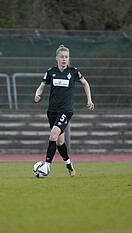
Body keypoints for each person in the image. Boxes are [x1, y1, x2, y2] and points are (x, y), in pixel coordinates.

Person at [34, 45, 94, 177]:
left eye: (66, 57)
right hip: (52, 111)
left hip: (66, 111)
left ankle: (46, 165)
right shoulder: (51, 72)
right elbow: (41, 86)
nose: (64, 59)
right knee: (60, 142)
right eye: (62, 57)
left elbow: (85, 83)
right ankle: (68, 162)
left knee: (53, 135)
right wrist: (37, 94)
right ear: (57, 58)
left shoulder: (73, 72)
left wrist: (89, 100)